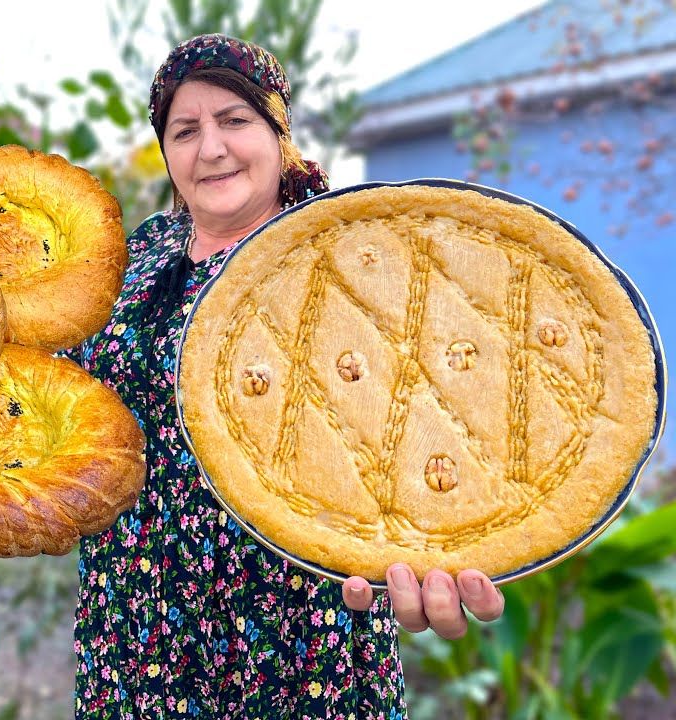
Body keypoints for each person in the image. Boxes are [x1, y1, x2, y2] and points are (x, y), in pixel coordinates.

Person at [67, 34, 505, 718]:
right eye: (185, 131)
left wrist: (444, 539)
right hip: (138, 636)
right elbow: (54, 400)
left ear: (279, 133)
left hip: (303, 645)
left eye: (235, 121)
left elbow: (431, 413)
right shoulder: (126, 262)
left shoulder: (348, 258)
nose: (210, 148)